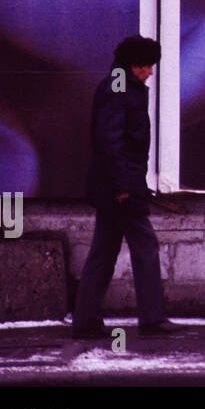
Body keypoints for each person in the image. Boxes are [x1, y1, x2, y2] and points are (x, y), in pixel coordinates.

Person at [73, 35, 183, 338]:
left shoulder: (121, 84)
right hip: (120, 186)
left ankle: (85, 320)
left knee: (104, 251)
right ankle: (151, 318)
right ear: (134, 64)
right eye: (147, 65)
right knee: (145, 245)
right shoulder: (119, 87)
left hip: (115, 183)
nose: (151, 71)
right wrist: (124, 185)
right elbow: (112, 140)